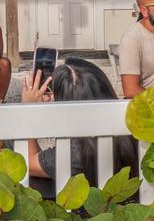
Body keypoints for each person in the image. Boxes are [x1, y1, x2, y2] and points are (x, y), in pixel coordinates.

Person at [21, 58, 138, 196]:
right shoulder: (131, 126)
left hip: (91, 208)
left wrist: (28, 111)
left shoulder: (74, 151)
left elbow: (28, 164)